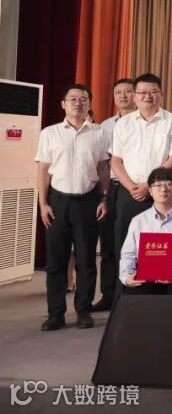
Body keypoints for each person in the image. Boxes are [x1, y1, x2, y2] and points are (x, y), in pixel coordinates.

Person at [36, 85, 111, 331]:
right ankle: (55, 313)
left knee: (86, 259)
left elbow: (103, 168)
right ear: (63, 104)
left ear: (89, 103)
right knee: (56, 261)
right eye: (73, 99)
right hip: (57, 201)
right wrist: (43, 204)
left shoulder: (99, 133)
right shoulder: (50, 133)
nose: (78, 103)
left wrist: (104, 198)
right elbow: (43, 170)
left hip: (88, 201)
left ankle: (83, 310)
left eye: (83, 99)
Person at [111, 73, 172, 260]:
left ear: (161, 95)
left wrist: (149, 186)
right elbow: (116, 161)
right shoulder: (123, 123)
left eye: (153, 92)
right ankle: (127, 280)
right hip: (129, 192)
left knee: (157, 247)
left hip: (160, 192)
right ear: (135, 96)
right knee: (126, 245)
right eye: (142, 92)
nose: (147, 96)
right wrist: (133, 188)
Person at [118, 168, 172, 296]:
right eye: (158, 185)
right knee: (134, 288)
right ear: (150, 191)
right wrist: (126, 277)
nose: (164, 189)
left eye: (169, 184)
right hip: (147, 278)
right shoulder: (138, 221)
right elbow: (128, 254)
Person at [92, 77, 136, 311]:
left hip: (136, 188)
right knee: (109, 243)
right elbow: (102, 161)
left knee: (134, 243)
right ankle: (108, 294)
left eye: (128, 91)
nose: (123, 96)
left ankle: (131, 293)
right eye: (118, 92)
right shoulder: (105, 126)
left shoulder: (142, 122)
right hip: (111, 188)